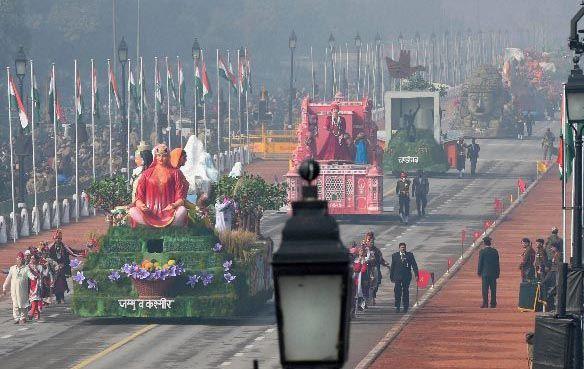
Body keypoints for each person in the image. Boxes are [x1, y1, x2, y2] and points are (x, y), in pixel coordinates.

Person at [129, 144, 189, 227]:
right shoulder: (146, 174)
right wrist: (140, 205)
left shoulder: (176, 173)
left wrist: (173, 205)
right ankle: (148, 225)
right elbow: (139, 197)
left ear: (168, 157)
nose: (161, 158)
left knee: (182, 210)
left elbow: (181, 198)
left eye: (164, 156)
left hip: (169, 213)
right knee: (133, 211)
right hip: (149, 213)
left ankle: (169, 226)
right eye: (159, 156)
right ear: (155, 157)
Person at [2, 252, 36, 324]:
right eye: (18, 259)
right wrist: (4, 287)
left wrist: (34, 278)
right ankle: (16, 318)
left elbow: (30, 275)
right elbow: (8, 278)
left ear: (23, 260)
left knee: (23, 304)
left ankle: (23, 317)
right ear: (16, 259)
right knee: (15, 304)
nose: (19, 260)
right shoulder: (12, 268)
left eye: (21, 259)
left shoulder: (26, 268)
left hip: (23, 290)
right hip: (14, 290)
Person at [390, 242, 419, 313]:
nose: (403, 249)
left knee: (405, 291)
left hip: (406, 276)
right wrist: (391, 277)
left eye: (404, 247)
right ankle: (397, 306)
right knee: (397, 291)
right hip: (397, 277)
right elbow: (392, 267)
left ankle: (405, 307)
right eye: (402, 247)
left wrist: (416, 275)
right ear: (399, 248)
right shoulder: (395, 255)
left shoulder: (409, 255)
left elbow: (414, 265)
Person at [477, 237, 500, 308]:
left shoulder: (482, 251)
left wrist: (479, 272)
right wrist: (498, 272)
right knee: (493, 289)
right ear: (490, 242)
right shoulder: (495, 251)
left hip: (485, 273)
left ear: (484, 243)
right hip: (493, 273)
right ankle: (493, 303)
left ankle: (485, 303)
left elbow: (480, 263)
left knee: (485, 289)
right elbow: (497, 263)